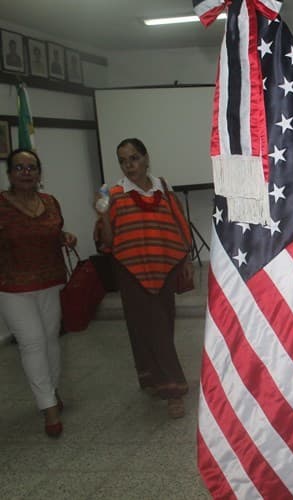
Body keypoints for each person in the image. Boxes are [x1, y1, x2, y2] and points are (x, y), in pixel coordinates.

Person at [95, 138, 193, 418]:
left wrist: (185, 259)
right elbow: (109, 242)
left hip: (164, 268)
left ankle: (149, 376)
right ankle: (172, 388)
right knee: (149, 327)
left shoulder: (163, 186)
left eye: (134, 158)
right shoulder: (114, 194)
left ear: (146, 158)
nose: (129, 165)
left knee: (162, 324)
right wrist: (102, 216)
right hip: (131, 271)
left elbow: (178, 222)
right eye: (123, 160)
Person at [0, 149, 77, 437]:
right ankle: (49, 409)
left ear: (39, 173)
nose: (26, 172)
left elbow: (54, 233)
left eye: (31, 167)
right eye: (19, 167)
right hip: (12, 287)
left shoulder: (50, 202)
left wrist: (65, 238)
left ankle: (51, 391)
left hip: (50, 281)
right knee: (32, 343)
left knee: (50, 341)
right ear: (9, 174)